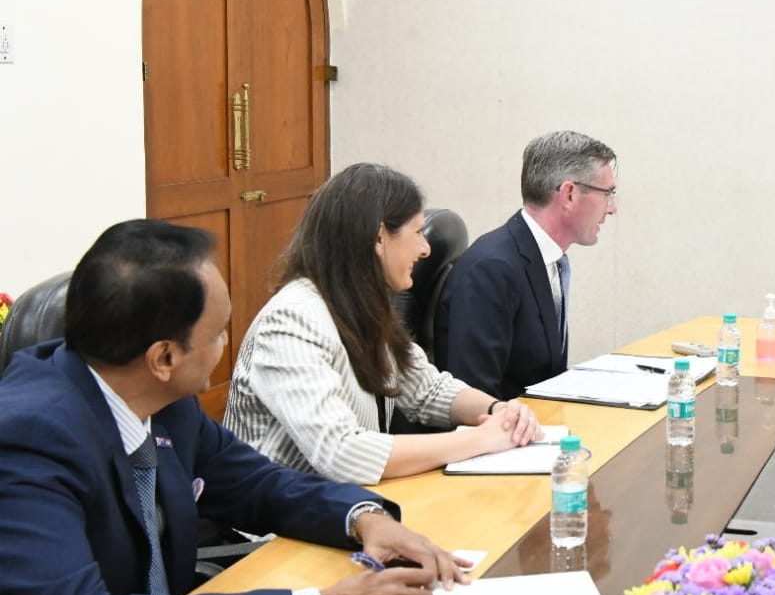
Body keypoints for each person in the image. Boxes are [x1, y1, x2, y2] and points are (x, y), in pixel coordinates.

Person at [0, 220, 466, 595]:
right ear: (164, 356)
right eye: (219, 331)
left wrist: (365, 519)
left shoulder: (164, 401)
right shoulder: (29, 437)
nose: (230, 341)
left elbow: (259, 485)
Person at [225, 164, 541, 484]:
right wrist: (479, 440)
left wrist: (499, 410)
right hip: (275, 527)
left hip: (344, 507)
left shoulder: (363, 305)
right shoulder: (292, 321)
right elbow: (342, 453)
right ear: (379, 238)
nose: (426, 248)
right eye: (417, 232)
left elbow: (427, 390)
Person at [435, 131, 617, 398]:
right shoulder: (491, 269)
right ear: (569, 194)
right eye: (608, 194)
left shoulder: (552, 259)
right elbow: (474, 395)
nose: (612, 208)